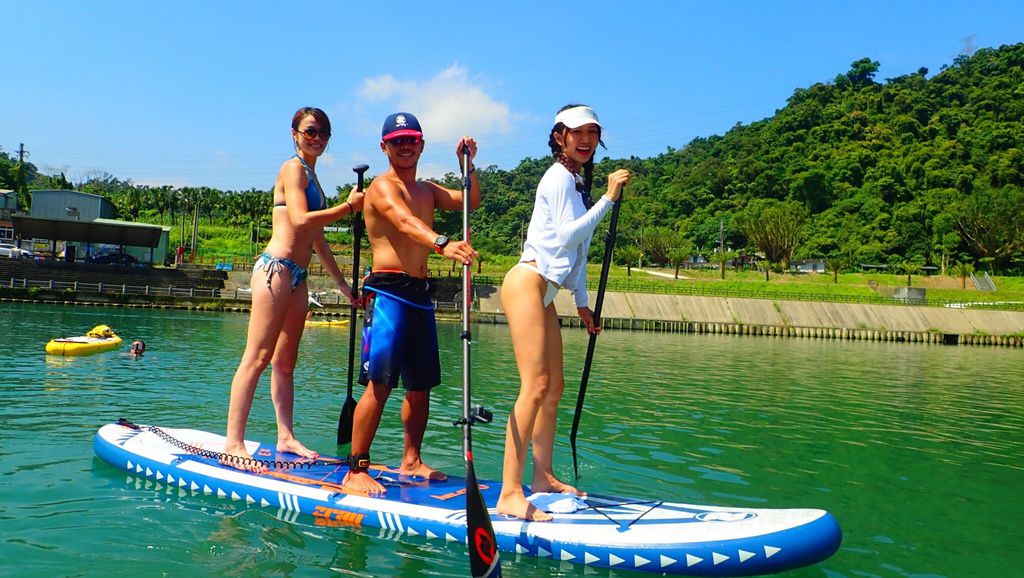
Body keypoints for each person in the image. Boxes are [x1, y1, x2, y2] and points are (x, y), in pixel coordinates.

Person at [496, 104, 630, 521]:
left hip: (548, 292)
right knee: (534, 387)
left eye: (592, 132)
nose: (586, 139)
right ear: (560, 138)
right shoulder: (557, 178)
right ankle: (510, 494)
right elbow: (569, 234)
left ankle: (542, 477)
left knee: (554, 388)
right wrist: (609, 198)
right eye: (577, 133)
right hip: (527, 282)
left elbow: (579, 253)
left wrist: (583, 303)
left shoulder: (574, 183)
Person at [342, 112, 480, 494]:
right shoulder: (381, 189)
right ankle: (356, 469)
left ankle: (412, 459)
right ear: (384, 146)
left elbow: (471, 199)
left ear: (421, 144)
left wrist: (467, 165)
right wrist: (442, 244)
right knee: (379, 384)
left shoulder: (428, 189)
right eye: (397, 140)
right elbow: (404, 223)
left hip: (419, 295)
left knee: (420, 387)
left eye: (411, 140)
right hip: (387, 292)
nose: (405, 146)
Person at [222, 107, 364, 472]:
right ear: (295, 133)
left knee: (285, 363)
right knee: (257, 356)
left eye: (323, 134)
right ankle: (234, 442)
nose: (317, 138)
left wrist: (344, 286)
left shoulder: (313, 178)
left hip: (299, 276)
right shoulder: (293, 169)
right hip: (276, 270)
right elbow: (299, 220)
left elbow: (316, 238)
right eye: (311, 131)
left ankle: (285, 436)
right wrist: (348, 207)